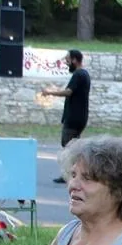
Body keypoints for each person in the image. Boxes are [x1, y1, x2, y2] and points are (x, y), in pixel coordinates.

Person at [41, 49, 92, 183]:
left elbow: (68, 92)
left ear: (75, 60)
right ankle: (75, 173)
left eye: (68, 60)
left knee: (68, 145)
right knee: (73, 145)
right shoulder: (83, 74)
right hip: (79, 116)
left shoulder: (79, 74)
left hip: (74, 116)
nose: (66, 63)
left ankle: (70, 174)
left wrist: (50, 93)